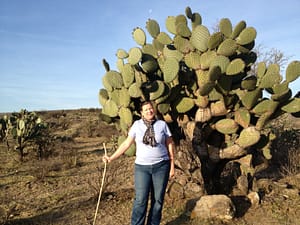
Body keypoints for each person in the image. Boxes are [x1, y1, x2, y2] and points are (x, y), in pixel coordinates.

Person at [103, 100, 175, 225]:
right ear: (142, 113)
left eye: (151, 108)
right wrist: (111, 157)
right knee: (140, 200)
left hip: (161, 166)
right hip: (142, 168)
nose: (149, 111)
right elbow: (126, 143)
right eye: (146, 109)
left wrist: (172, 165)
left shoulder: (162, 125)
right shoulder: (137, 125)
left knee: (157, 200)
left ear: (154, 109)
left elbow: (169, 144)